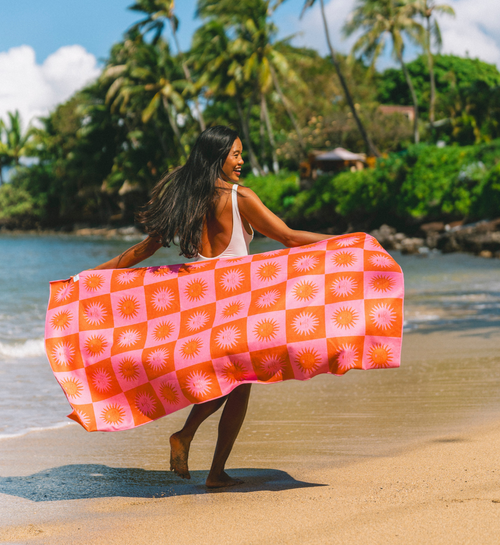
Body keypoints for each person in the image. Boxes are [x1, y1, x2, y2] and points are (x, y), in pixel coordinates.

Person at [92, 126, 330, 488]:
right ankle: (189, 439)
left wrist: (92, 276)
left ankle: (214, 470)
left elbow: (144, 250)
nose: (241, 161)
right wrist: (350, 241)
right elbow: (289, 237)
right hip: (235, 304)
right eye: (235, 154)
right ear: (218, 157)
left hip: (200, 304)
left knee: (237, 384)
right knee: (235, 381)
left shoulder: (186, 199)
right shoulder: (240, 197)